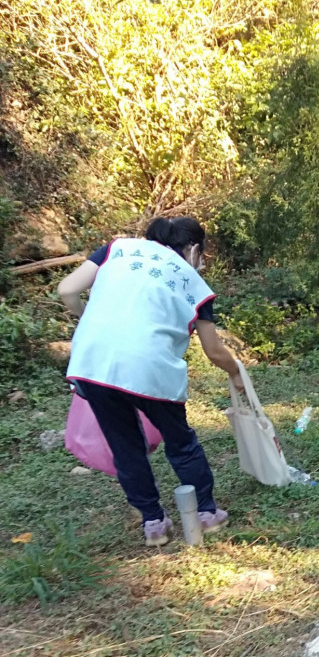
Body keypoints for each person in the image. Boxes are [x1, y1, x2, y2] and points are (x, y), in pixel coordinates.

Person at [59, 217, 245, 546]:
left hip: (91, 363)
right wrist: (235, 372)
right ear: (195, 250)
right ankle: (205, 512)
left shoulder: (116, 249)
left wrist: (87, 320)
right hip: (149, 367)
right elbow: (214, 350)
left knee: (125, 446)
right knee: (181, 442)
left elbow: (67, 289)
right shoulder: (192, 281)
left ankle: (154, 524)